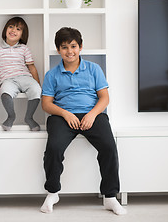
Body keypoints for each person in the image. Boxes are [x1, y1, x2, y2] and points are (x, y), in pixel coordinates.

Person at [40, 27, 127, 215]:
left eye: (73, 46)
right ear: (58, 50)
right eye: (64, 47)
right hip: (63, 117)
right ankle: (53, 191)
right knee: (53, 148)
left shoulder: (94, 69)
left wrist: (92, 115)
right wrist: (65, 114)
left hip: (92, 115)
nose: (69, 51)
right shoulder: (52, 74)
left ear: (80, 47)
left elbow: (104, 97)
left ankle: (110, 196)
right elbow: (46, 104)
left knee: (109, 147)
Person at [0, 17, 41, 131]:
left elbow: (31, 67)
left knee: (36, 89)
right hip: (8, 79)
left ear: (22, 35)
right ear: (5, 29)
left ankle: (29, 117)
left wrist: (38, 83)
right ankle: (11, 116)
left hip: (25, 77)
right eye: (11, 27)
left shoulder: (24, 48)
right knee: (5, 92)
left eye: (18, 29)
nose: (13, 30)